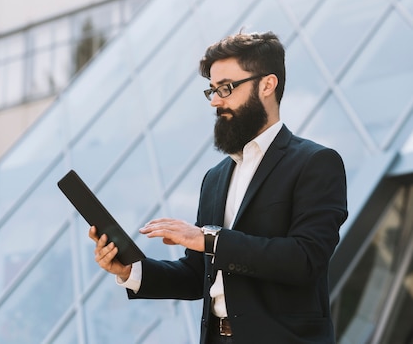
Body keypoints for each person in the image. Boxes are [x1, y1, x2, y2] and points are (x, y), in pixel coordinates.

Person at [89, 31, 348, 343]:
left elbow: (306, 259)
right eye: (211, 90)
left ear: (267, 85)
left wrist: (209, 239)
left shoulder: (316, 163)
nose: (214, 101)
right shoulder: (215, 178)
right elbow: (197, 274)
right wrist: (130, 270)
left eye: (225, 88)